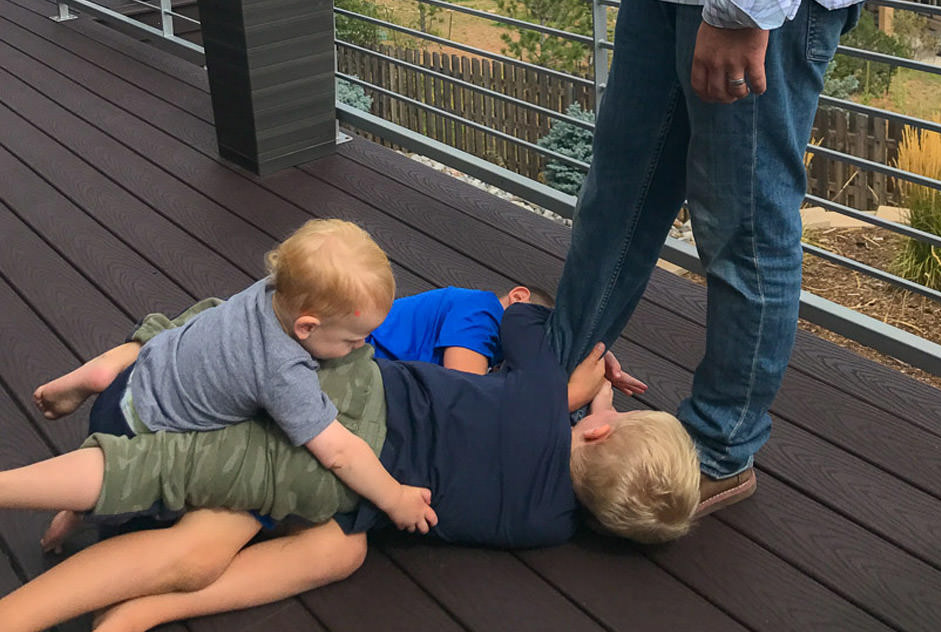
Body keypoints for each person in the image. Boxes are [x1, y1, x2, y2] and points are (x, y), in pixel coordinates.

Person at [0, 301, 700, 632]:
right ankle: (146, 608)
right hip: (353, 499)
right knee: (335, 553)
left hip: (340, 421)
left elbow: (525, 326)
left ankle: (57, 587)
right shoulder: (548, 524)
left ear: (600, 430)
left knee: (200, 460)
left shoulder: (539, 398)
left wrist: (590, 367)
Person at [547, 0, 886, 515]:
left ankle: (719, 446)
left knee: (743, 221)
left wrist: (743, 7)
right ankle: (555, 384)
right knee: (621, 189)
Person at [32, 218, 437, 535]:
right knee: (142, 498)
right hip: (138, 431)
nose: (363, 345)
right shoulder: (282, 372)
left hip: (141, 373)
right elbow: (339, 452)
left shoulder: (274, 290)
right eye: (353, 339)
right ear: (307, 328)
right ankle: (80, 511)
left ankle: (101, 375)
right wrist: (395, 498)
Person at [367, 284, 553, 374]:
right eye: (534, 326)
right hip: (364, 350)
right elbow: (464, 386)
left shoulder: (497, 348)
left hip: (383, 369)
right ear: (518, 297)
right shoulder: (484, 308)